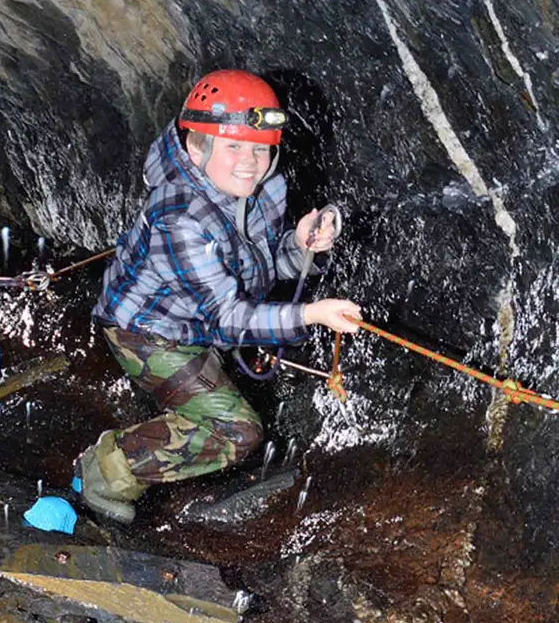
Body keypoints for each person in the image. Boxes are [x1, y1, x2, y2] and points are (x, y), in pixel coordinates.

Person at [75, 69, 363, 525]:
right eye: (233, 146)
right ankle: (108, 469)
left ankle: (130, 450)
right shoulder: (177, 216)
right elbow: (228, 317)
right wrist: (312, 314)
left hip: (200, 319)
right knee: (237, 432)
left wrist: (298, 245)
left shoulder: (265, 186)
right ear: (197, 147)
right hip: (149, 330)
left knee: (226, 409)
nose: (249, 161)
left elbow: (258, 269)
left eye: (259, 147)